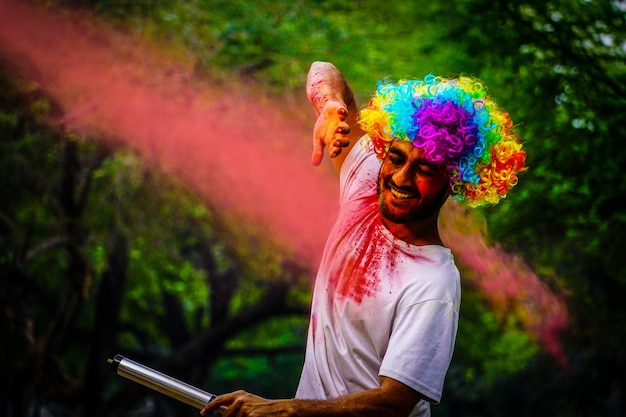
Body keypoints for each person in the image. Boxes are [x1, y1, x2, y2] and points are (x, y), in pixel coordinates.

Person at [201, 61, 526, 417]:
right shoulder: (364, 184)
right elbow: (323, 69)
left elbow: (392, 403)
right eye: (396, 158)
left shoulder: (434, 283)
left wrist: (286, 410)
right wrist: (330, 106)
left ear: (452, 180)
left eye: (424, 169)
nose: (401, 178)